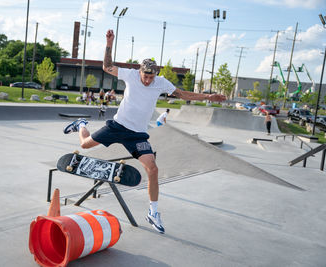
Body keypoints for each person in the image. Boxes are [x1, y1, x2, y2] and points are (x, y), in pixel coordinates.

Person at [63, 29, 226, 234]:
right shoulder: (130, 74)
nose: (148, 81)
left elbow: (183, 93)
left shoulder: (161, 82)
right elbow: (106, 67)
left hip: (137, 135)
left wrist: (209, 97)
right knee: (84, 145)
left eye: (151, 77)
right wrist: (109, 43)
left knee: (153, 169)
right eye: (145, 76)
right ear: (140, 71)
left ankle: (153, 212)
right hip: (117, 126)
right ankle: (80, 124)